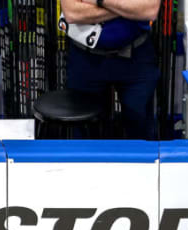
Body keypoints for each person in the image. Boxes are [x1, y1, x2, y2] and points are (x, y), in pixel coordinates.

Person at [60, 0, 161, 139]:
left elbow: (149, 9)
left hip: (137, 57)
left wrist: (99, 2)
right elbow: (72, 13)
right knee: (85, 139)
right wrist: (127, 8)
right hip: (85, 60)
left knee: (141, 134)